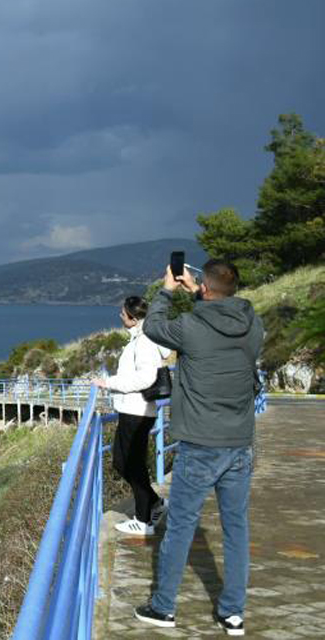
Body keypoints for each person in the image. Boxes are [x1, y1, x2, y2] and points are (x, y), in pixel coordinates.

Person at [133, 259, 263, 636]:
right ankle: (233, 614)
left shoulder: (190, 325)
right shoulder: (254, 325)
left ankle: (163, 607)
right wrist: (201, 294)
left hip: (200, 444)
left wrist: (168, 291)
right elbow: (223, 318)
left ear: (204, 288)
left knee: (180, 526)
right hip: (239, 443)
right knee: (236, 528)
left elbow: (154, 326)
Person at [94, 296, 171, 536]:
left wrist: (108, 383)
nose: (120, 316)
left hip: (136, 411)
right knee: (123, 461)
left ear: (133, 318)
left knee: (131, 464)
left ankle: (143, 520)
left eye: (123, 313)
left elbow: (146, 377)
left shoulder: (145, 341)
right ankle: (154, 504)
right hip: (134, 410)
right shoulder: (140, 338)